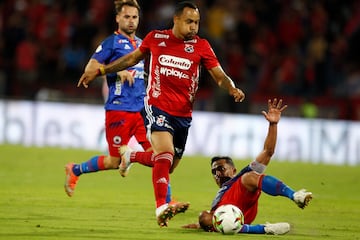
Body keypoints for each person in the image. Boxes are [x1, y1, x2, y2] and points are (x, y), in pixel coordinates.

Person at [77, 1, 245, 227]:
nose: (194, 27)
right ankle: (161, 207)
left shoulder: (202, 46)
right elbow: (131, 59)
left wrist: (231, 87)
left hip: (183, 116)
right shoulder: (156, 38)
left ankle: (131, 156)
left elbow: (219, 75)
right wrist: (102, 71)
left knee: (167, 164)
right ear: (176, 20)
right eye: (189, 22)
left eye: (196, 22)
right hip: (156, 107)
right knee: (164, 153)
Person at [64, 0, 186, 213]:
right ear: (118, 19)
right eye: (127, 17)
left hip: (143, 111)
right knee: (112, 161)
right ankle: (75, 170)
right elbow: (91, 67)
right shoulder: (111, 43)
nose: (131, 21)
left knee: (160, 156)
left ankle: (167, 200)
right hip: (118, 110)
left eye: (135, 17)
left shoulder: (142, 44)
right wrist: (115, 71)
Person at [182, 98, 313, 235]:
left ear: (233, 170)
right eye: (214, 172)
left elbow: (268, 152)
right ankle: (264, 229)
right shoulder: (219, 197)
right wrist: (201, 224)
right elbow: (209, 220)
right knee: (203, 216)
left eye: (221, 168)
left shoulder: (241, 177)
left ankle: (294, 195)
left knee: (249, 177)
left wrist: (273, 124)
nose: (217, 174)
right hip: (227, 217)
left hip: (242, 208)